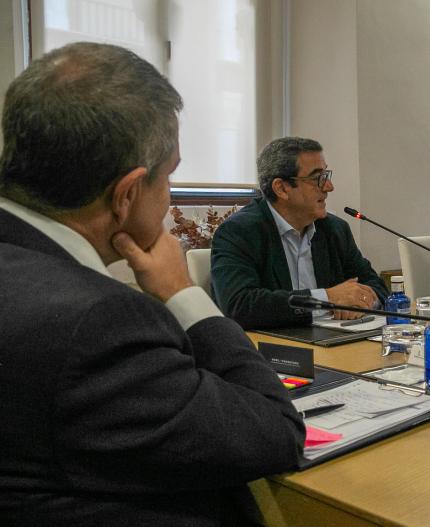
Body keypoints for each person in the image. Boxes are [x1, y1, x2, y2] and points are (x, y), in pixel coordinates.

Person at [0, 42, 304, 525]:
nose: (167, 197)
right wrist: (183, 293)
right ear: (126, 194)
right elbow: (273, 431)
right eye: (168, 178)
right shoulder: (98, 324)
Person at [212, 137, 389, 329]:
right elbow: (239, 305)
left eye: (327, 176)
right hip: (270, 350)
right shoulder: (239, 232)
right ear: (281, 188)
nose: (329, 187)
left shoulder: (334, 229)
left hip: (333, 344)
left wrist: (361, 301)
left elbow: (377, 286)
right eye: (317, 179)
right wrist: (328, 298)